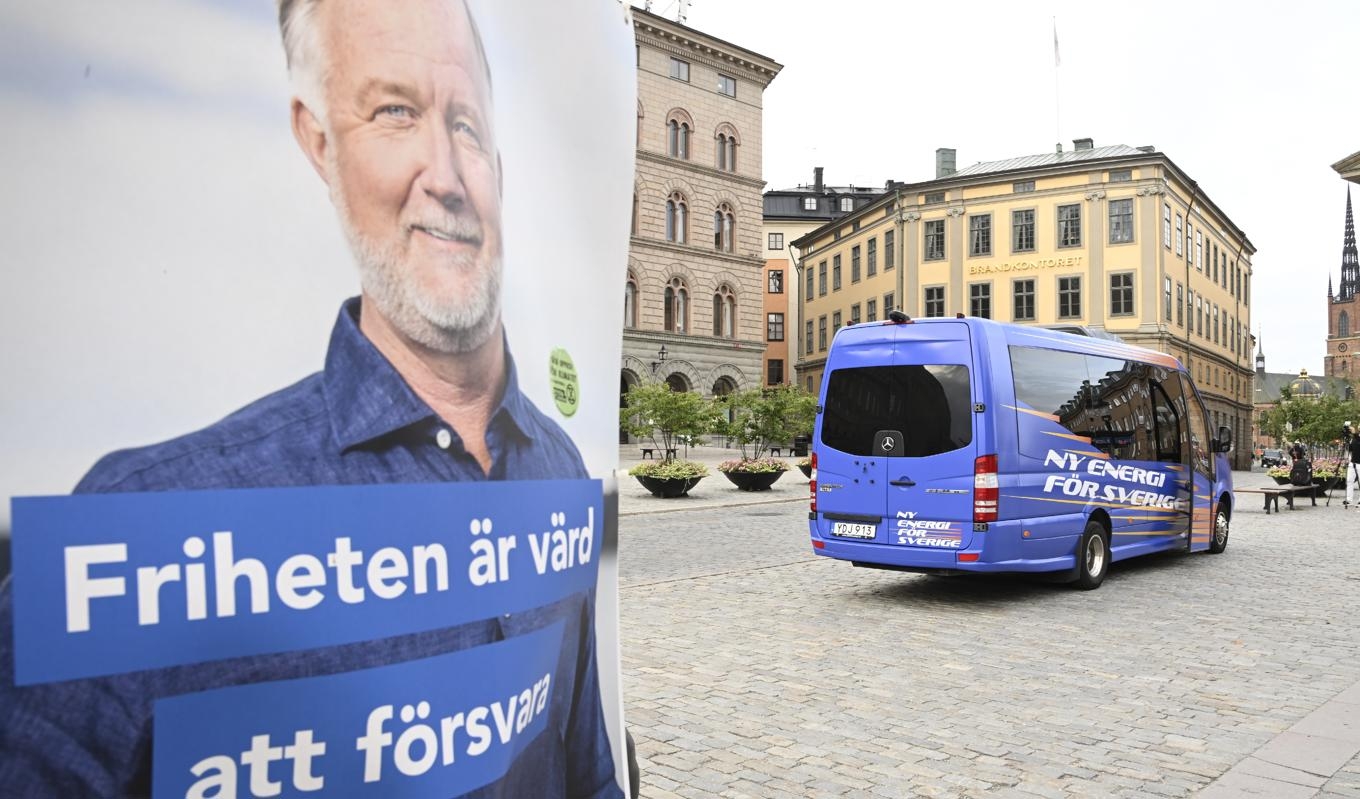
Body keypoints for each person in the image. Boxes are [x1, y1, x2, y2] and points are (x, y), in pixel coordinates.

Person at [0, 1, 621, 796]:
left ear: (499, 166)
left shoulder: (560, 470)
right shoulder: (140, 529)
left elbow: (586, 773)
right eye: (395, 112)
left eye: (465, 125)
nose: (446, 175)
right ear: (319, 141)